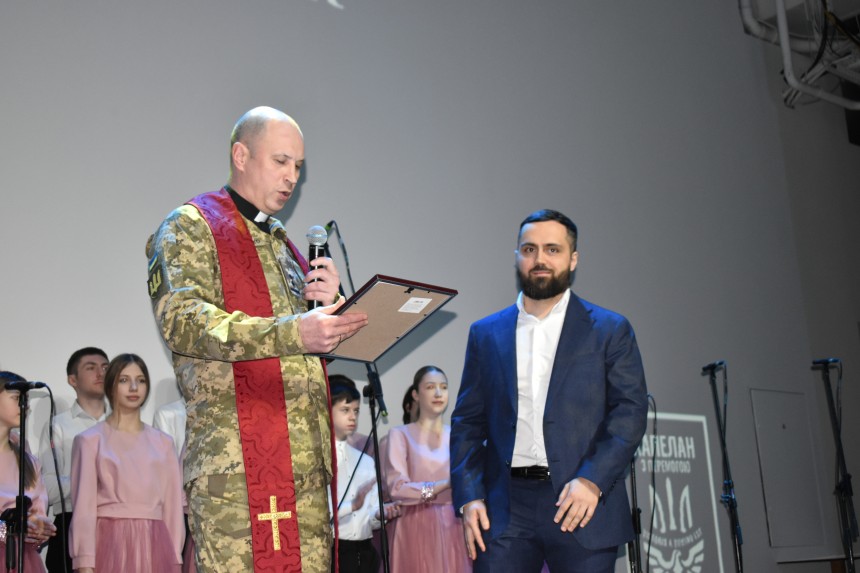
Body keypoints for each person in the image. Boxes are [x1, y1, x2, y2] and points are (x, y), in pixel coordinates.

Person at [146, 105, 368, 573]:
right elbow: (182, 321)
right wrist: (296, 330)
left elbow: (307, 346)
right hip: (236, 475)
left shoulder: (284, 245)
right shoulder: (191, 225)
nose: (292, 178)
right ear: (241, 155)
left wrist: (334, 305)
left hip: (305, 476)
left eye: (298, 167)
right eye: (281, 161)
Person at [450, 209, 649, 573]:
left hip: (582, 502)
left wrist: (592, 480)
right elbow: (467, 422)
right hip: (504, 508)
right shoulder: (485, 333)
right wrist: (469, 496)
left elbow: (629, 412)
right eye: (529, 249)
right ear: (517, 257)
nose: (539, 259)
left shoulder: (610, 329)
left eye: (552, 249)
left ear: (573, 259)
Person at [69, 353, 184, 573]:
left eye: (140, 380)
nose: (133, 387)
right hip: (109, 543)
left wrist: (174, 557)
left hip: (155, 545)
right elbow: (83, 509)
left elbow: (173, 508)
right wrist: (84, 562)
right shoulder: (90, 441)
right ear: (110, 385)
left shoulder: (163, 443)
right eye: (124, 380)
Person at [384, 366, 472, 573]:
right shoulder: (400, 434)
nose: (439, 393)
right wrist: (444, 484)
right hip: (414, 524)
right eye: (431, 387)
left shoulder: (458, 435)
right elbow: (397, 488)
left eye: (444, 387)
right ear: (416, 394)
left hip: (454, 525)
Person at [39, 346, 110, 573]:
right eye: (91, 368)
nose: (100, 373)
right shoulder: (57, 426)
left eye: (105, 367)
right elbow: (50, 489)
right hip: (71, 521)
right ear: (73, 380)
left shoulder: (126, 426)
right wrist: (94, 480)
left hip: (118, 523)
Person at [329, 379, 400, 573]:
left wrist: (381, 514)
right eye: (345, 410)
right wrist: (352, 505)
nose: (353, 416)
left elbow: (371, 515)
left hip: (365, 552)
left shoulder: (366, 461)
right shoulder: (320, 461)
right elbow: (317, 514)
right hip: (333, 552)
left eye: (356, 410)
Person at [0, 371, 57, 572]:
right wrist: (7, 531)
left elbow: (37, 507)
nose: (25, 406)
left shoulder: (26, 457)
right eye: (17, 398)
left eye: (26, 400)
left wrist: (38, 526)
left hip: (22, 557)